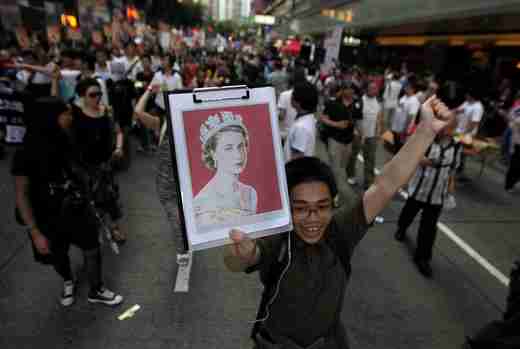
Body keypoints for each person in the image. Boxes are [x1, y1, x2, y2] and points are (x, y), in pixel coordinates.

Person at [225, 95, 454, 349]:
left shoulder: (340, 231)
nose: (313, 219)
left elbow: (385, 184)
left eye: (322, 207)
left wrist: (425, 130)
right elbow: (243, 258)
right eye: (301, 209)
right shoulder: (278, 238)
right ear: (287, 209)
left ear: (333, 204)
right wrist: (241, 253)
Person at [13, 97, 123, 307]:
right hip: (46, 215)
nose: (70, 117)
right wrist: (35, 232)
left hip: (76, 206)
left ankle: (96, 289)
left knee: (92, 247)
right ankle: (67, 280)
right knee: (58, 255)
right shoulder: (25, 153)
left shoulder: (66, 139)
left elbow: (79, 170)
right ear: (51, 118)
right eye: (66, 113)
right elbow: (21, 195)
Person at [394, 118, 461, 277]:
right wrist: (424, 161)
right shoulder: (427, 139)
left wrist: (451, 187)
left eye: (451, 127)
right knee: (409, 212)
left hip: (437, 194)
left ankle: (422, 258)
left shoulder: (457, 146)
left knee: (429, 227)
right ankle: (401, 228)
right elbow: (412, 156)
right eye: (446, 126)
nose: (448, 129)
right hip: (419, 189)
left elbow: (453, 169)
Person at [133, 84, 190, 265]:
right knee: (176, 217)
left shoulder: (192, 124)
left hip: (188, 182)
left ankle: (187, 239)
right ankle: (182, 250)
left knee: (185, 218)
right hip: (167, 184)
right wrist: (149, 90)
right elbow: (138, 111)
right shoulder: (161, 123)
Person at [72, 78, 126, 243]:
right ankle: (96, 229)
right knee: (90, 199)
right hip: (85, 166)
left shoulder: (107, 112)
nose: (97, 97)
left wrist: (118, 147)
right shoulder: (75, 113)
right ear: (82, 97)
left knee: (110, 198)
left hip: (105, 165)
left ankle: (114, 228)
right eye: (92, 95)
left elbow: (119, 133)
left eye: (99, 94)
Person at [193, 111, 257, 226]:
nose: (238, 155)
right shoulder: (201, 202)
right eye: (228, 148)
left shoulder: (250, 193)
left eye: (240, 146)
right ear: (213, 154)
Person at [320, 84, 360, 194]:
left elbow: (357, 119)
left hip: (349, 141)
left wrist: (357, 130)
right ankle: (334, 193)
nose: (350, 91)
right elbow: (323, 118)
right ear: (342, 91)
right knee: (335, 168)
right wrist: (336, 124)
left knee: (342, 167)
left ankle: (331, 184)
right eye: (347, 89)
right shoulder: (332, 103)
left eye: (352, 89)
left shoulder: (356, 104)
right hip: (334, 140)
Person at [346, 82, 383, 190]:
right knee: (353, 155)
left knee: (370, 159)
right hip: (358, 135)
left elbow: (379, 118)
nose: (374, 90)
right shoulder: (359, 101)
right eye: (371, 88)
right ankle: (350, 174)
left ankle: (369, 182)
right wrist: (360, 135)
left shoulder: (378, 102)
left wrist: (378, 133)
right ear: (366, 89)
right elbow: (355, 120)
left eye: (375, 88)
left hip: (371, 136)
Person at [284, 81, 319, 162]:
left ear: (298, 102)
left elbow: (297, 159)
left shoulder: (301, 127)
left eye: (293, 94)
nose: (291, 96)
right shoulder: (309, 118)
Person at [391, 80, 420, 153]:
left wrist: (405, 129)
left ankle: (397, 163)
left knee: (400, 149)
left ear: (413, 89)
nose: (405, 88)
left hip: (403, 129)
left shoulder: (414, 101)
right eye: (405, 87)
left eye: (408, 87)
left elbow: (411, 117)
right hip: (396, 127)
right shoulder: (403, 97)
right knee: (396, 145)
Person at [505, 94, 520, 193]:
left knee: (516, 163)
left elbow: (511, 117)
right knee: (515, 163)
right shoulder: (518, 108)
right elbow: (511, 117)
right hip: (517, 140)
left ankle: (511, 183)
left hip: (516, 138)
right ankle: (509, 184)